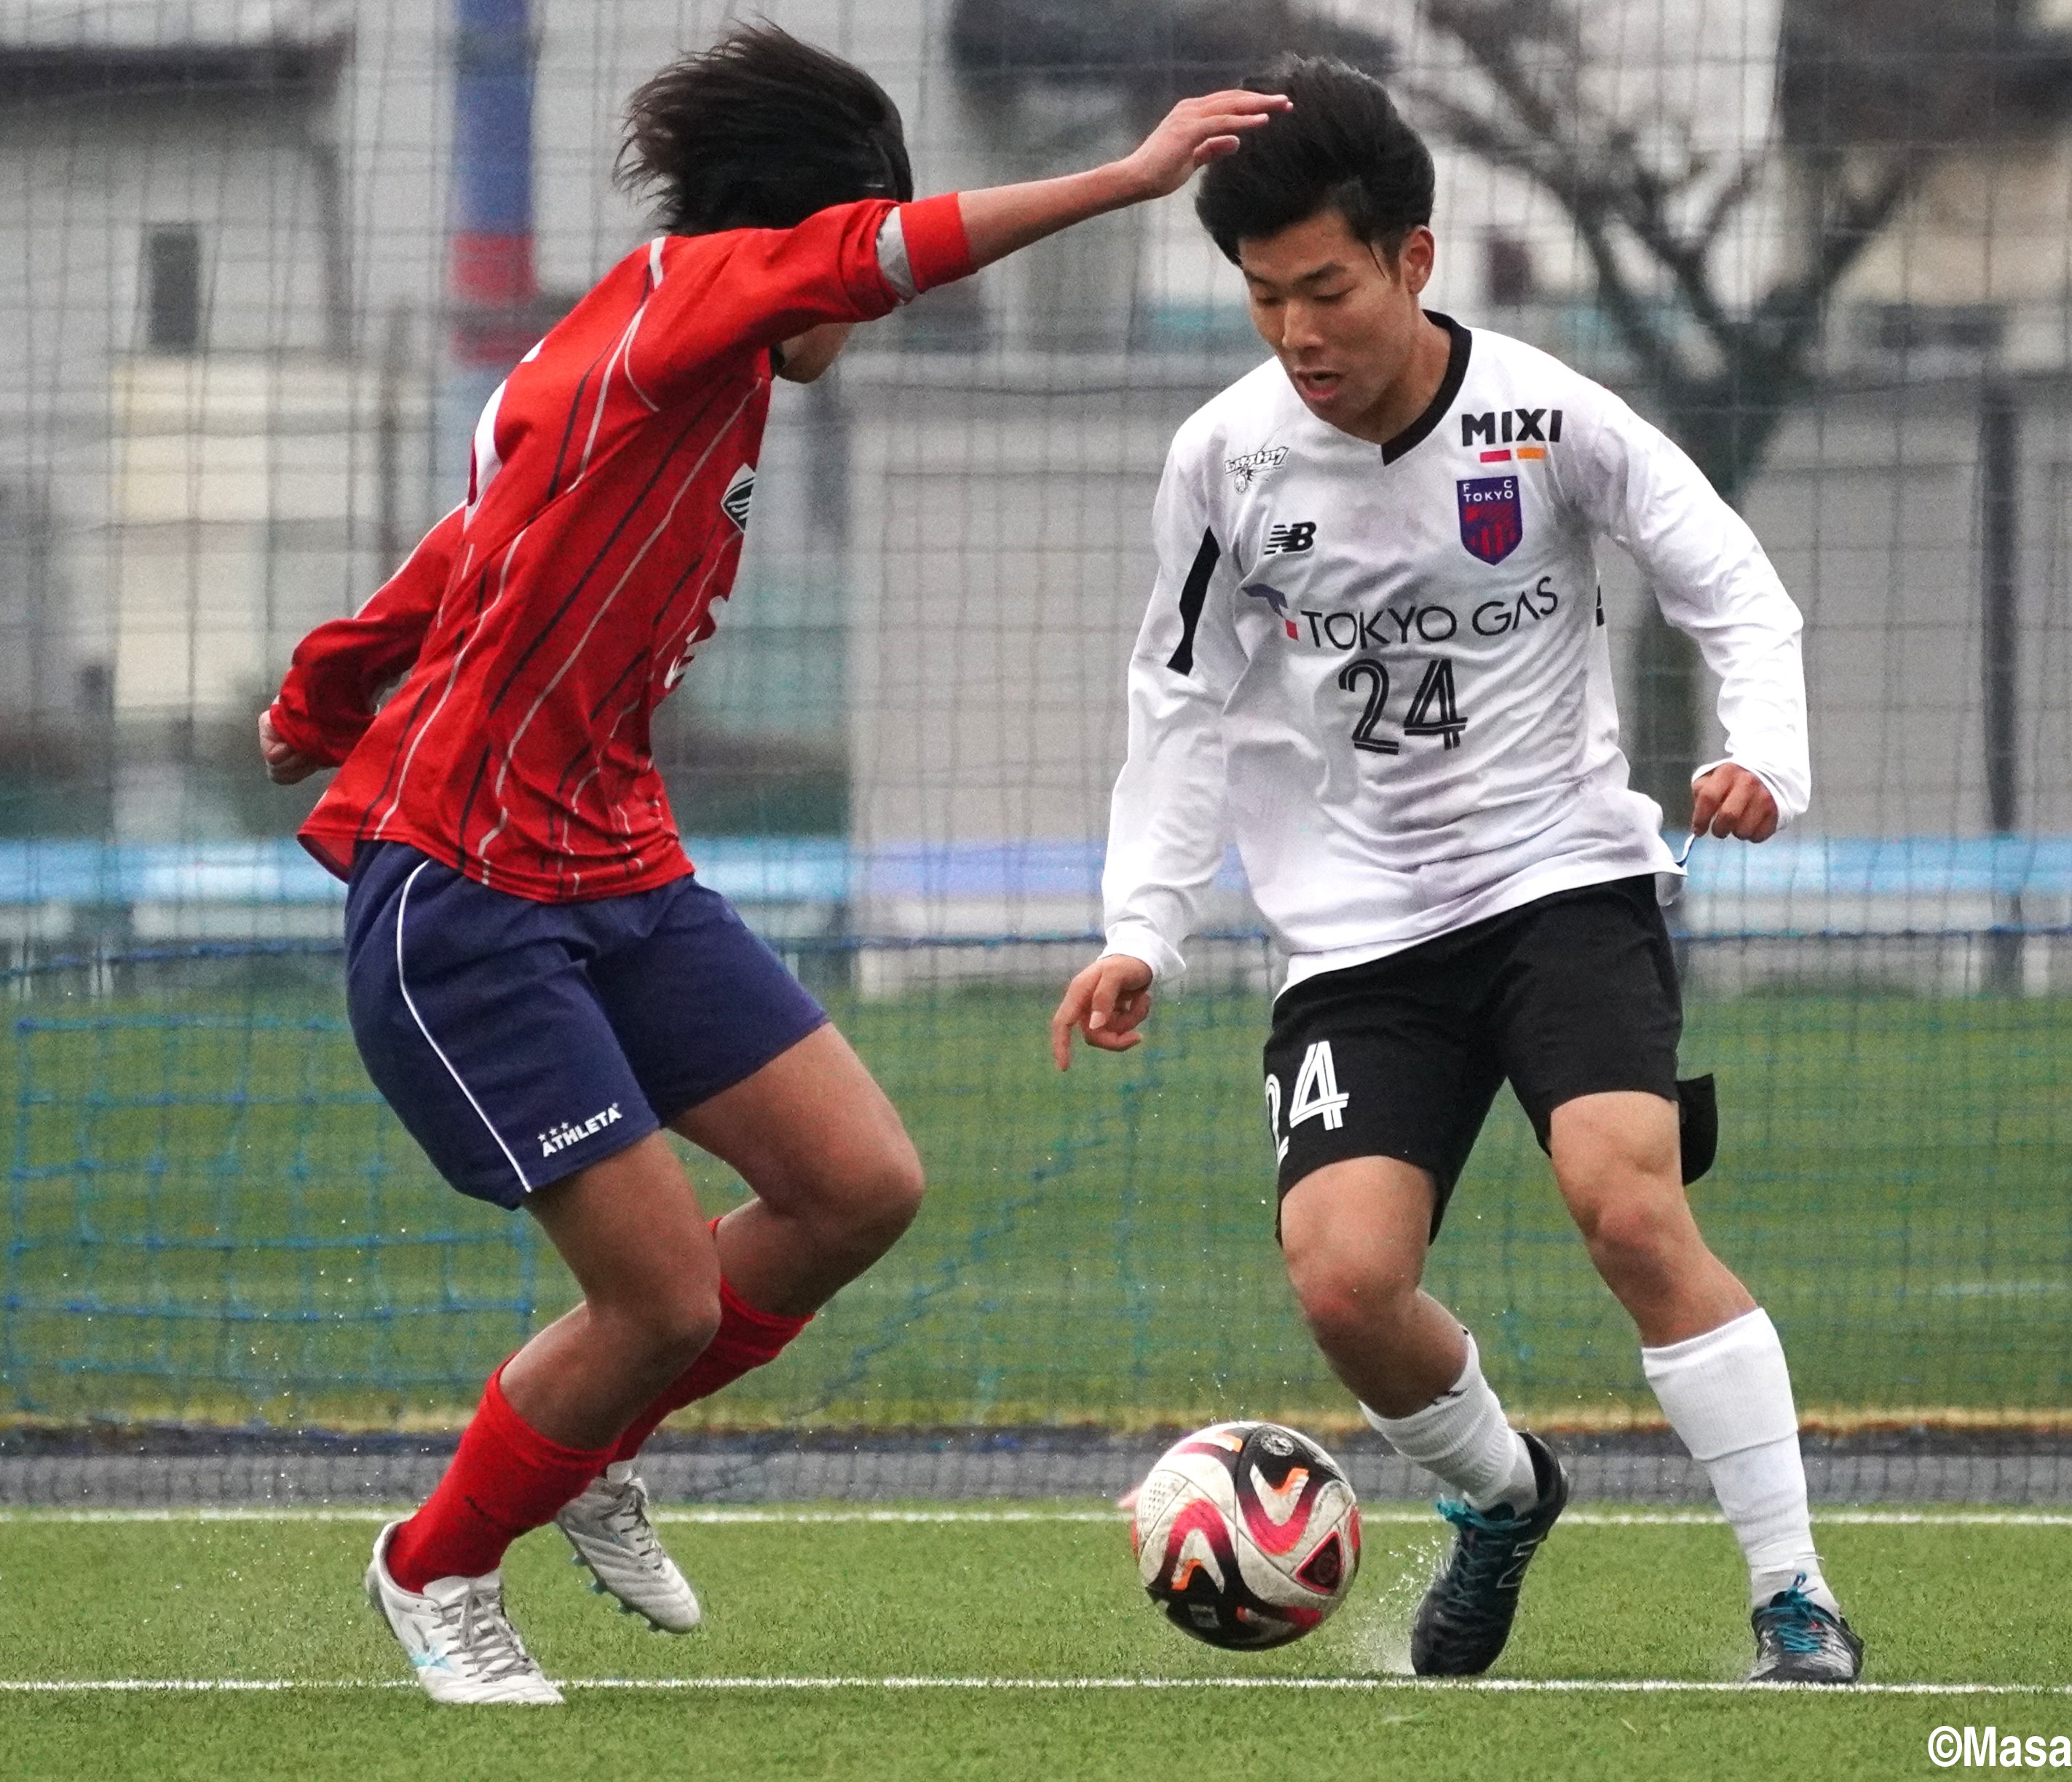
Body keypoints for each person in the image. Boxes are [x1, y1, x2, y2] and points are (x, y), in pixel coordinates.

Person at [261, 23, 1285, 1705]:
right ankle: (435, 1566)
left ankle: (582, 1442)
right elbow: (874, 255)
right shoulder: (684, 302)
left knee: (858, 1188)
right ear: (793, 235)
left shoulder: (673, 373)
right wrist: (1126, 176)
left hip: (620, 872)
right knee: (655, 1302)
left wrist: (317, 696)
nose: (864, 312)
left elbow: (467, 547)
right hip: (466, 900)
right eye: (846, 251)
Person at [1050, 58, 1862, 1683]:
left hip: (1565, 882)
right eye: (1264, 297)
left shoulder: (1550, 420)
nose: (1299, 334)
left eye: (1328, 288)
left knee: (1625, 1200)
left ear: (1413, 261)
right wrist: (1145, 922)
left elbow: (1732, 586)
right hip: (1356, 937)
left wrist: (1761, 760)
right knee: (1348, 1285)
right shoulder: (1224, 462)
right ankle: (1500, 1496)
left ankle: (1794, 1596)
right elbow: (1182, 700)